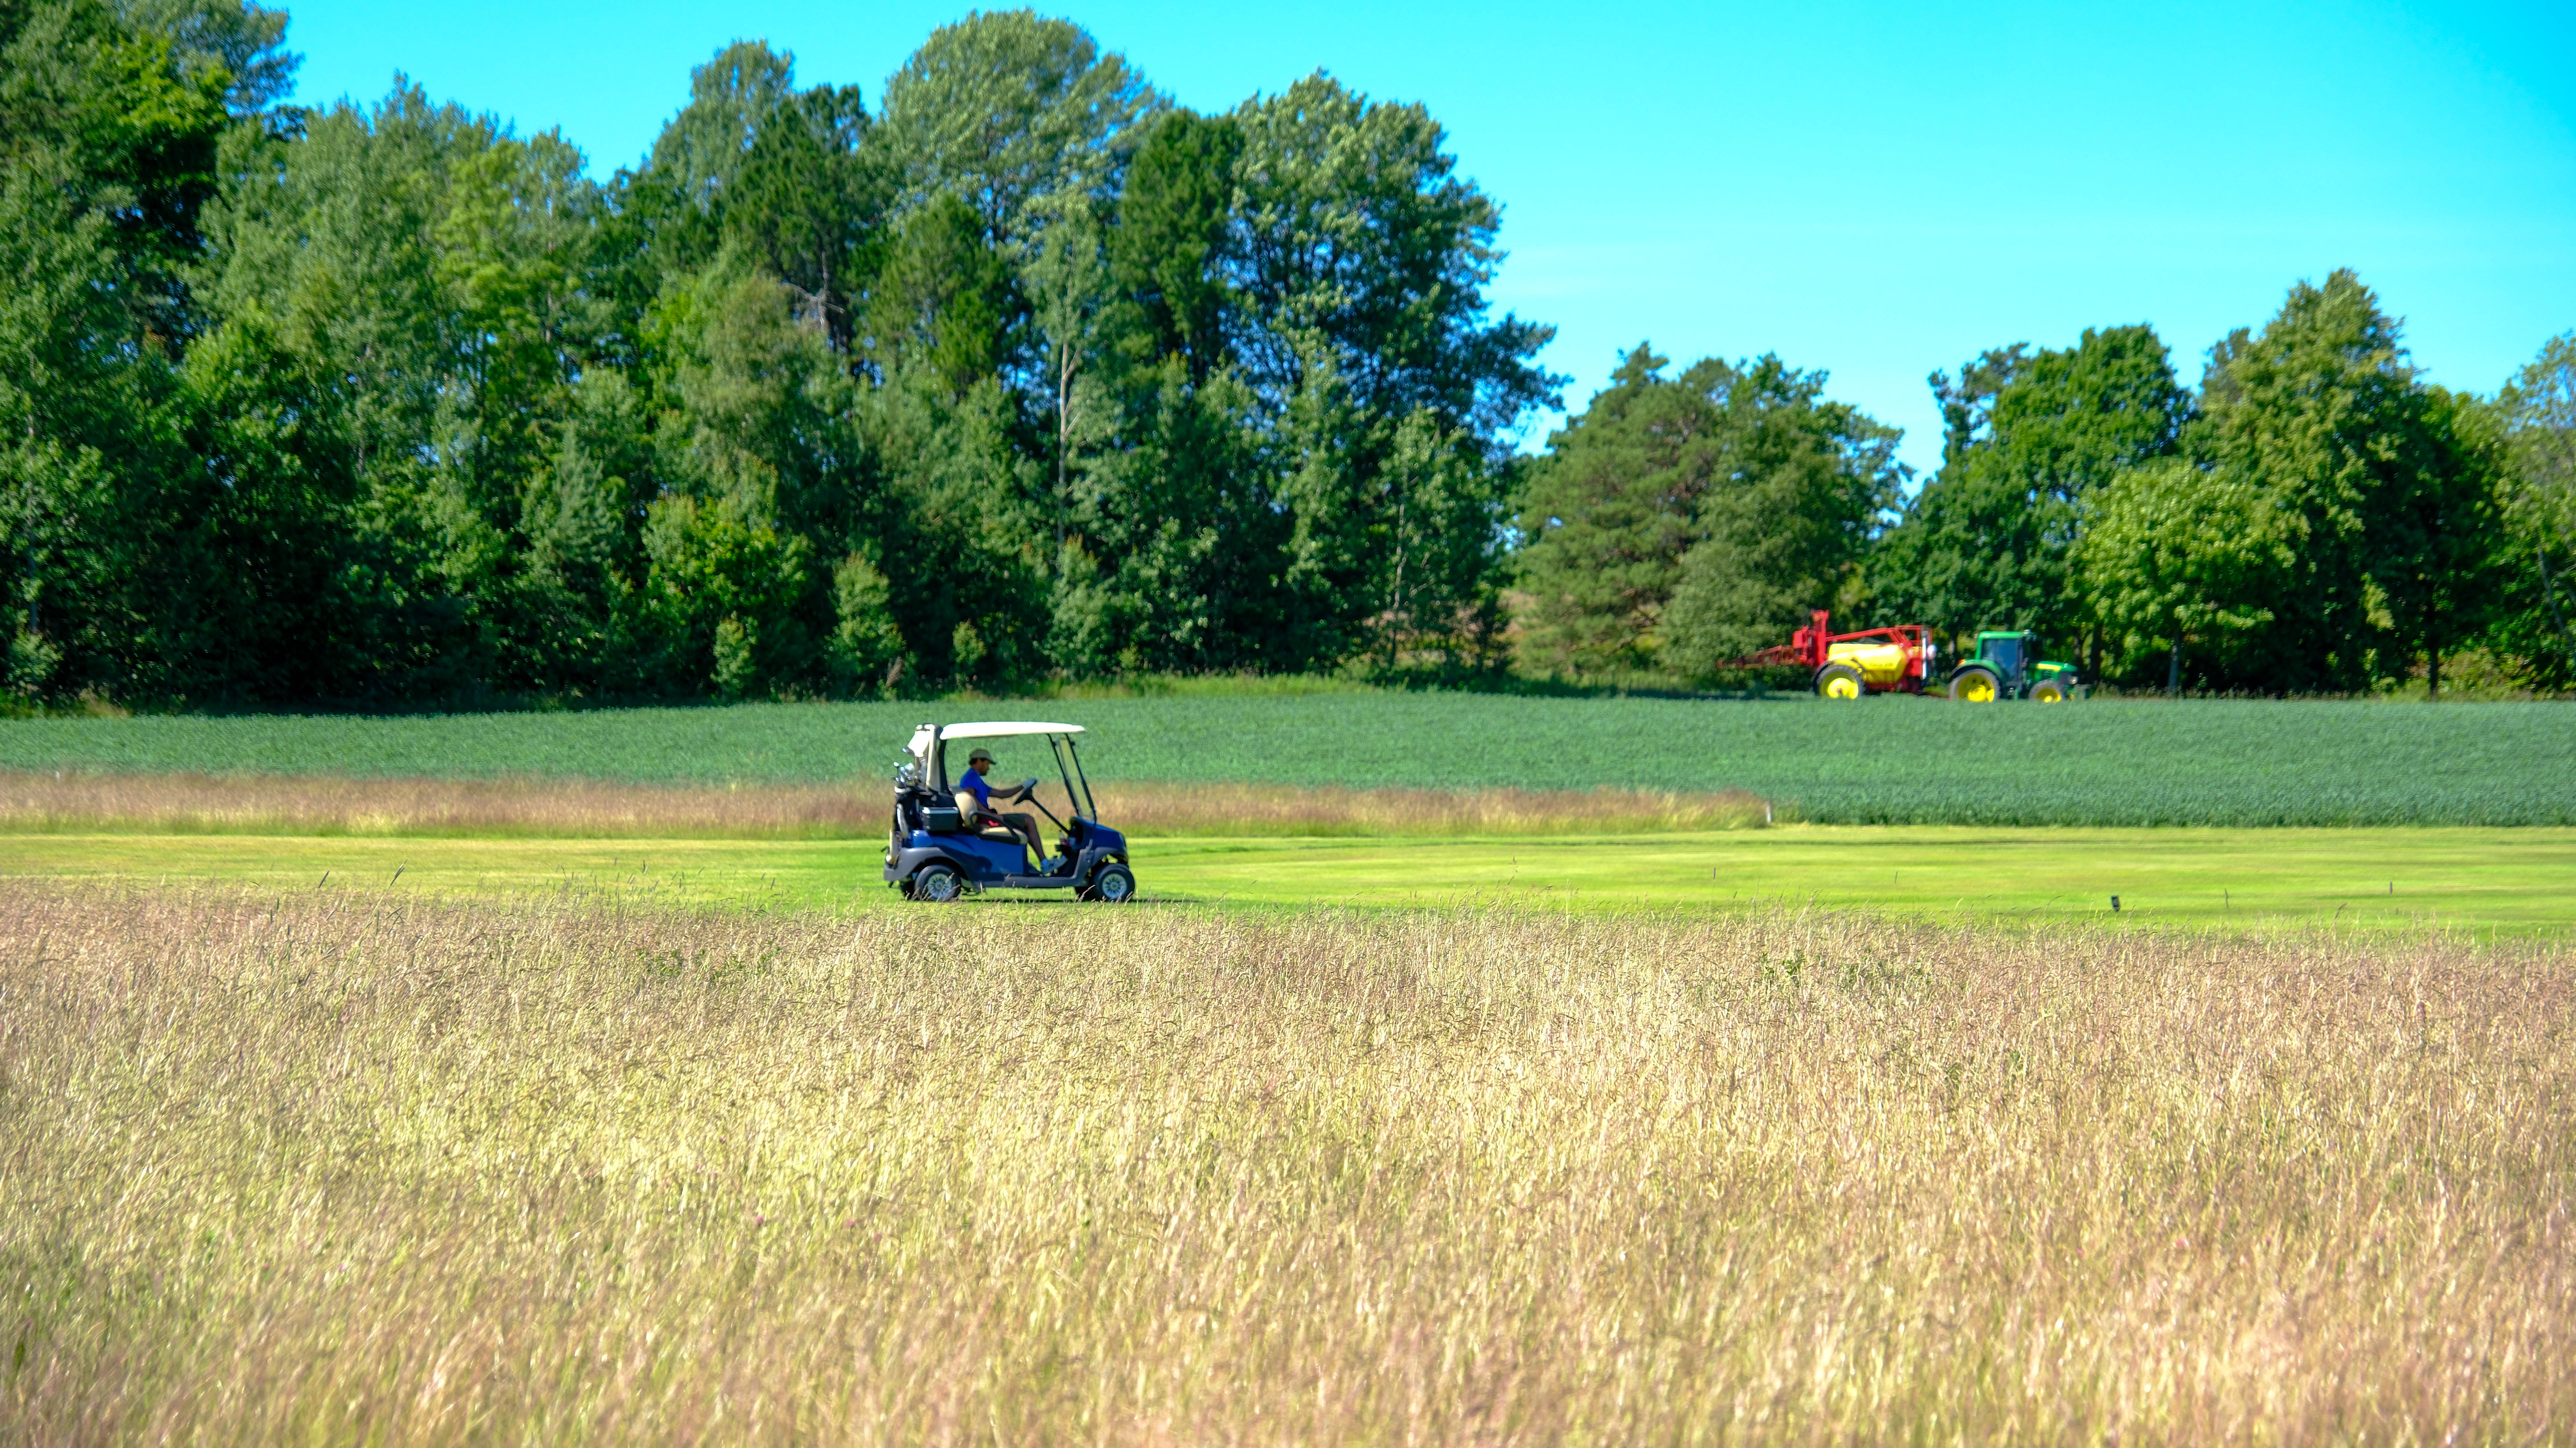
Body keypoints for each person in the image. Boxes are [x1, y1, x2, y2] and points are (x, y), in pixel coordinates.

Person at [957, 746, 1046, 860]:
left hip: (985, 817)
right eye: (988, 764)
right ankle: (1044, 862)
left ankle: (1026, 865)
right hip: (984, 819)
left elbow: (1002, 794)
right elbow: (971, 797)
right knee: (1028, 820)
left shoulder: (976, 779)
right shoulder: (972, 777)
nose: (989, 768)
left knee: (1024, 823)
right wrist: (991, 815)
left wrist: (1024, 786)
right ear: (980, 761)